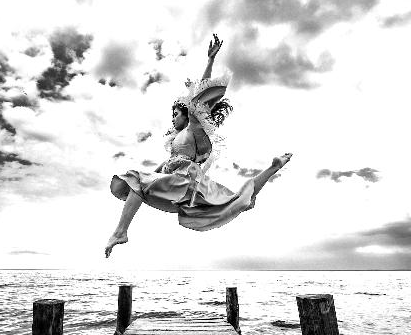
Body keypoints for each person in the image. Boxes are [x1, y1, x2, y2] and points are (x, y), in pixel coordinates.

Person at [105, 34, 292, 258]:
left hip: (185, 183)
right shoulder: (175, 141)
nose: (173, 118)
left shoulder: (194, 129)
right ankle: (120, 232)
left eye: (175, 114)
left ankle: (120, 232)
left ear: (186, 115)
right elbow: (157, 170)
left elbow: (197, 99)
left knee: (238, 200)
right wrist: (140, 189)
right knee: (238, 200)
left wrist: (210, 61)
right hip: (176, 188)